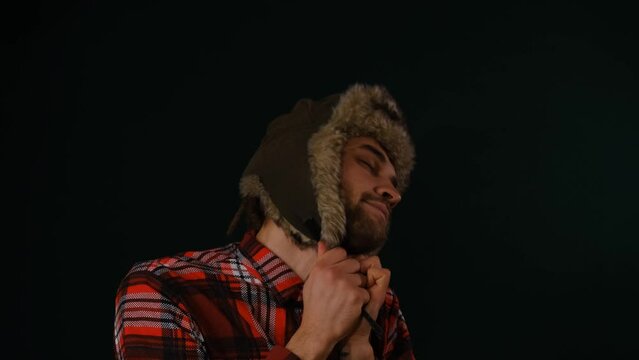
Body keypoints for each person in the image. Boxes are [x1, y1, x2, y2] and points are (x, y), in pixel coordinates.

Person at [114, 83, 416, 359]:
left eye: (394, 181)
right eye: (367, 162)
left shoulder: (377, 306)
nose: (393, 193)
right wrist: (315, 338)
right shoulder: (166, 288)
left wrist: (359, 348)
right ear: (307, 167)